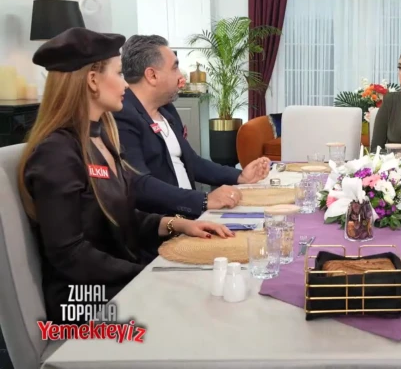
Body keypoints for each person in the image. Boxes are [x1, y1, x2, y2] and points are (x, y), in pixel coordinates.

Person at [19, 28, 235, 324]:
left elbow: (120, 216)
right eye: (119, 74)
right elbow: (70, 254)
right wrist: (146, 274)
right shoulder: (56, 153)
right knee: (204, 307)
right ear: (92, 80)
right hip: (86, 300)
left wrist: (178, 224)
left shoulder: (101, 139)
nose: (125, 83)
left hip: (120, 275)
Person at [113, 35, 271, 218]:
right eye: (175, 68)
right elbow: (139, 184)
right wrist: (203, 200)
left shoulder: (167, 110)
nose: (181, 76)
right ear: (152, 75)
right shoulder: (123, 116)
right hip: (165, 224)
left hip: (193, 217)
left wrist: (240, 176)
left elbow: (192, 162)